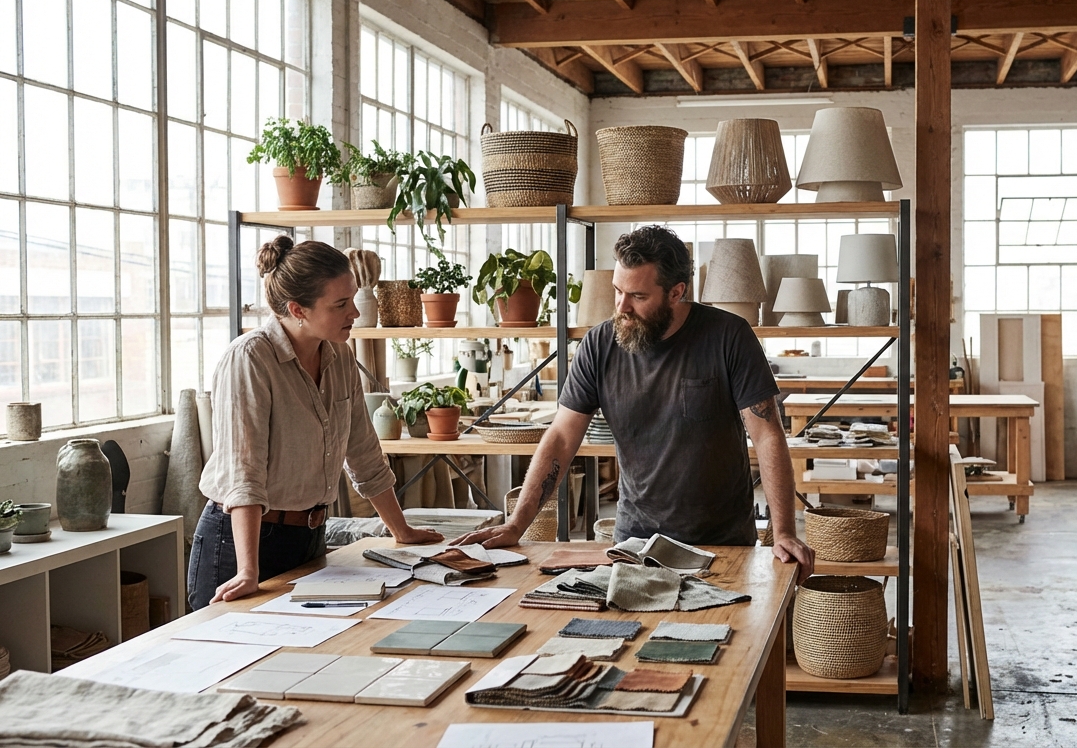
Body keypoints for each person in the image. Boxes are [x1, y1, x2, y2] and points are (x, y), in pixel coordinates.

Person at [459, 225, 815, 579]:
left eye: (638, 296)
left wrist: (783, 531)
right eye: (617, 291)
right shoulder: (599, 346)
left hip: (722, 543)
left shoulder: (730, 337)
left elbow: (768, 436)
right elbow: (562, 439)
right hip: (634, 544)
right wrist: (516, 523)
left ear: (676, 292)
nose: (622, 307)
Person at [189, 236, 444, 610]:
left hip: (308, 537)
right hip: (241, 543)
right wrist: (248, 570)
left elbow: (363, 452)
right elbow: (244, 474)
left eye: (352, 299)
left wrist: (400, 531)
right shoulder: (250, 359)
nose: (354, 314)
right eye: (340, 304)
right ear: (298, 309)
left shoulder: (339, 356)